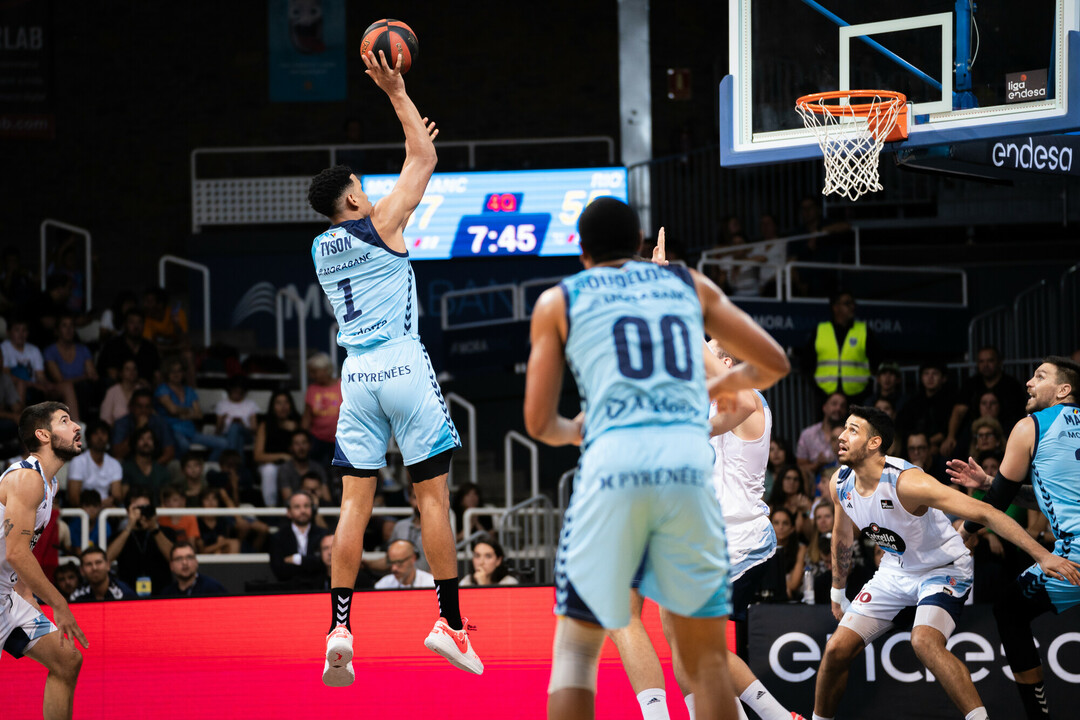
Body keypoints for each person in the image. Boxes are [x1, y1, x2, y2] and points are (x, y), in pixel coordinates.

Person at [524, 201, 790, 720]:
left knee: (592, 636)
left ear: (582, 253)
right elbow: (772, 366)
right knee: (700, 646)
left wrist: (580, 430)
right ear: (639, 239)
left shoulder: (559, 300)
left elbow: (538, 424)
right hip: (685, 482)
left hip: (617, 474)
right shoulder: (688, 288)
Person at [310, 49, 479, 687]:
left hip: (356, 378)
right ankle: (449, 623)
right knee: (430, 495)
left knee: (354, 505)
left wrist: (413, 139)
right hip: (403, 365)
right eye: (363, 186)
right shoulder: (379, 224)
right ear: (353, 196)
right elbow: (425, 161)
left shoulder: (322, 247)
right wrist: (397, 93)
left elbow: (414, 159)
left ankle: (339, 629)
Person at [812, 405, 1079, 720]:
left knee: (924, 642)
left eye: (852, 430)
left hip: (943, 568)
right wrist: (837, 590)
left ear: (875, 443)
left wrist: (1042, 555)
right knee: (836, 650)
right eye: (844, 427)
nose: (841, 436)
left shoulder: (908, 483)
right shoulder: (840, 482)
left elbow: (986, 512)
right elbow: (842, 533)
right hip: (895, 570)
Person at [609, 339, 800, 720]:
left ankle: (780, 717)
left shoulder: (747, 398)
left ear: (724, 362)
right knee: (677, 634)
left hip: (734, 540)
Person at [946, 356, 1080, 719]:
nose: (1029, 383)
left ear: (1063, 390)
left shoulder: (1030, 426)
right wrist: (991, 481)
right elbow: (1050, 496)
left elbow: (998, 502)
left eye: (1040, 376)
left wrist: (964, 532)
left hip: (1075, 556)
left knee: (1009, 610)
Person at [0, 401, 87, 719]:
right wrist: (59, 604)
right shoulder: (27, 479)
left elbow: (21, 548)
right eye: (65, 421)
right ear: (43, 435)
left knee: (67, 660)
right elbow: (17, 552)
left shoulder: (50, 483)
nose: (76, 426)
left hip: (6, 597)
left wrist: (26, 594)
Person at [942, 345, 1027, 458]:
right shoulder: (971, 384)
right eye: (982, 361)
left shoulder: (1012, 385)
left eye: (990, 360)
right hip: (974, 430)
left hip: (1005, 429)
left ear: (999, 362)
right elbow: (959, 411)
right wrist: (950, 437)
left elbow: (1020, 415)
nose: (985, 365)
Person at [803, 290, 878, 404]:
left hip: (858, 396)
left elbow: (876, 361)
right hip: (825, 395)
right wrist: (817, 388)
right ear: (836, 307)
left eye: (853, 303)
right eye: (847, 303)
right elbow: (807, 362)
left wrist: (867, 388)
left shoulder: (863, 330)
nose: (852, 307)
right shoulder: (821, 330)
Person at [154, 357, 234, 461]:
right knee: (184, 445)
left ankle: (206, 467)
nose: (176, 374)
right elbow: (172, 410)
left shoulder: (189, 390)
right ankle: (182, 469)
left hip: (190, 431)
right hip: (171, 431)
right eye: (172, 371)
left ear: (183, 373)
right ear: (167, 373)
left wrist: (181, 414)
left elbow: (199, 414)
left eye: (179, 371)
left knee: (223, 443)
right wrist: (190, 411)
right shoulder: (162, 389)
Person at [106, 489, 176, 597]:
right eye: (137, 508)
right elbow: (107, 559)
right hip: (128, 594)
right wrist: (129, 527)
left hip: (161, 594)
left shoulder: (166, 532)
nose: (142, 512)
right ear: (128, 511)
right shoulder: (119, 535)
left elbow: (173, 558)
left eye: (146, 508)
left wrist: (154, 528)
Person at [268, 491, 327, 589]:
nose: (303, 510)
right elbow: (279, 570)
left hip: (318, 590)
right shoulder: (278, 537)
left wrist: (298, 559)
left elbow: (324, 565)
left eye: (306, 506)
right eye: (297, 507)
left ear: (312, 509)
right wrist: (311, 562)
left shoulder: (323, 534)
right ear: (289, 512)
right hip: (288, 591)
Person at [253, 389, 302, 507]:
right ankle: (271, 509)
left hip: (294, 464)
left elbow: (304, 447)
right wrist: (282, 456)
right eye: (278, 403)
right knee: (269, 470)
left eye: (286, 402)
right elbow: (257, 456)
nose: (283, 407)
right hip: (271, 464)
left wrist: (295, 430)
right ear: (272, 406)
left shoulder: (298, 423)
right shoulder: (265, 425)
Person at [110, 388, 176, 466]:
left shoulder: (160, 422)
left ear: (151, 408)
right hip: (128, 466)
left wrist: (151, 468)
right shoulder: (121, 423)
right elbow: (117, 453)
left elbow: (169, 452)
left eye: (147, 407)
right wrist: (138, 428)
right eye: (139, 406)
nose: (143, 410)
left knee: (174, 465)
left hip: (154, 464)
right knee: (117, 462)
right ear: (131, 407)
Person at [796, 392, 848, 489]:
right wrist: (817, 465)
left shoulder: (850, 434)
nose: (838, 408)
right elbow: (800, 468)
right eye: (834, 404)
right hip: (816, 487)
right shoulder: (808, 434)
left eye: (842, 406)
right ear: (824, 407)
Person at [96, 308, 161, 386]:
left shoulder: (150, 348)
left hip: (145, 390)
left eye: (140, 322)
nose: (136, 326)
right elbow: (111, 374)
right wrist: (137, 382)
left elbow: (157, 375)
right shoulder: (113, 345)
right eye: (132, 322)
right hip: (118, 388)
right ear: (125, 325)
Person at [66, 420, 123, 508]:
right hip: (83, 510)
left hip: (107, 509)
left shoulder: (114, 464)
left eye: (103, 433)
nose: (100, 437)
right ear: (88, 438)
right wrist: (95, 507)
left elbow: (117, 496)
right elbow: (74, 498)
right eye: (95, 433)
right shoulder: (78, 462)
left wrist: (102, 506)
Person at [302, 352, 342, 467]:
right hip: (317, 440)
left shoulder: (342, 385)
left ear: (325, 370)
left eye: (314, 371)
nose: (312, 375)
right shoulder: (312, 389)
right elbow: (307, 417)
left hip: (340, 440)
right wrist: (303, 437)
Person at [2, 316, 50, 407]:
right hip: (12, 389)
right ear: (8, 332)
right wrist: (31, 384)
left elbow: (40, 376)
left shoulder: (34, 349)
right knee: (21, 384)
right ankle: (18, 414)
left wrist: (46, 385)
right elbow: (6, 376)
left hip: (33, 390)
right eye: (17, 330)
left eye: (24, 330)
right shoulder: (3, 348)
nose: (21, 334)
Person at [120, 426, 172, 503]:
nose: (146, 442)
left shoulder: (162, 471)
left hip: (157, 509)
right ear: (135, 443)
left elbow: (165, 499)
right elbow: (123, 497)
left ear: (154, 443)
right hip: (133, 508)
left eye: (149, 439)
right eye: (141, 439)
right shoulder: (126, 468)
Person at [276, 429, 329, 504]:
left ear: (310, 446)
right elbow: (288, 501)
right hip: (295, 508)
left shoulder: (318, 468)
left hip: (318, 506)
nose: (301, 447)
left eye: (304, 443)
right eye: (297, 444)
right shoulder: (285, 469)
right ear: (290, 447)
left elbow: (327, 499)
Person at [69, 546, 135, 602]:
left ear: (108, 565)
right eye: (89, 564)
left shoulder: (124, 593)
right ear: (82, 570)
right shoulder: (76, 596)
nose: (94, 568)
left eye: (98, 562)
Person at [160, 541, 226, 597]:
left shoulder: (213, 589)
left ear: (196, 562)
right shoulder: (167, 594)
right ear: (171, 566)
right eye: (179, 559)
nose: (185, 563)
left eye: (189, 557)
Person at [99, 359, 143, 426]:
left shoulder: (141, 390)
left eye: (134, 369)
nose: (132, 372)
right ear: (121, 373)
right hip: (117, 429)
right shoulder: (112, 392)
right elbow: (105, 417)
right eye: (127, 369)